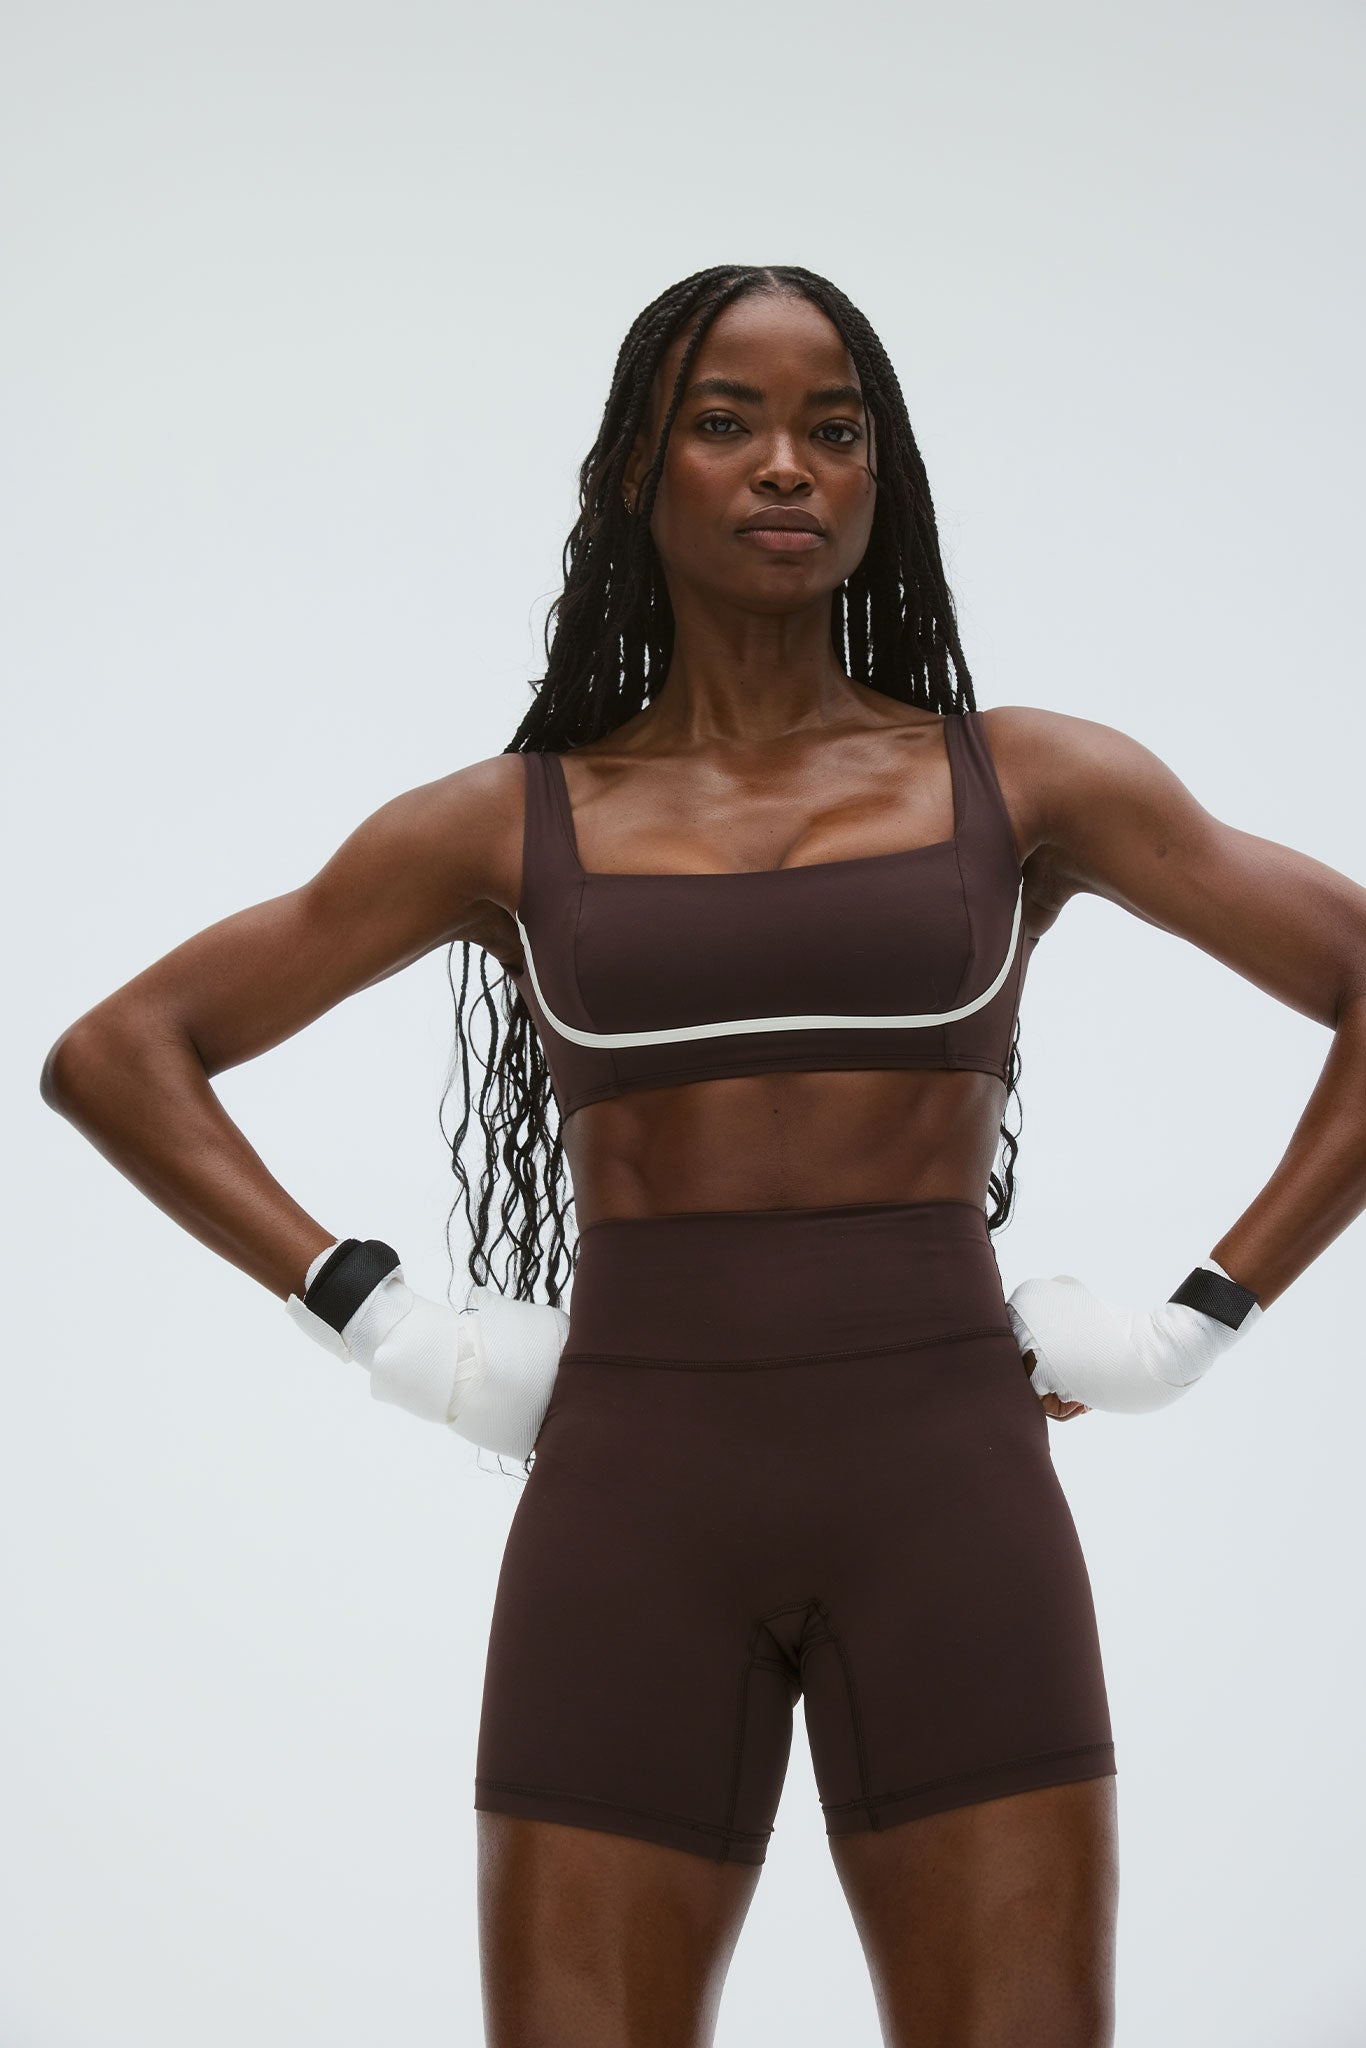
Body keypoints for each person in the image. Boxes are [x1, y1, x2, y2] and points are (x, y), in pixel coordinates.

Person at [39, 265, 1366, 2048]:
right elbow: (119, 1055)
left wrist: (1195, 1321)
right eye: (724, 422)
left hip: (950, 1509)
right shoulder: (506, 823)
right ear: (633, 476)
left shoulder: (1026, 783)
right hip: (629, 1514)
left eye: (834, 430)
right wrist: (389, 1332)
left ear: (878, 482)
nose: (785, 466)